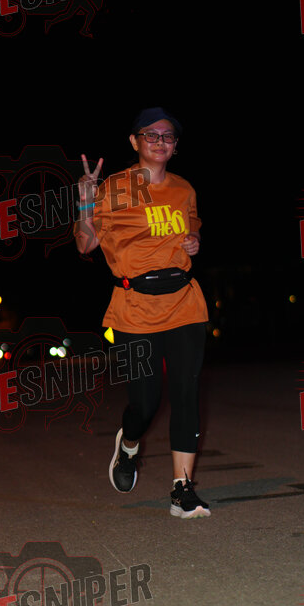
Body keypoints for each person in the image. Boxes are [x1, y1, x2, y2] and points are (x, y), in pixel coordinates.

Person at [74, 107, 211, 518]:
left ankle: (182, 490)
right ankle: (129, 445)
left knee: (186, 394)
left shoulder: (184, 189)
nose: (160, 142)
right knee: (145, 404)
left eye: (168, 136)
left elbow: (192, 225)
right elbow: (85, 245)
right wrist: (85, 203)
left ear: (175, 145)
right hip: (134, 307)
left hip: (184, 302)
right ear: (134, 142)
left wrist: (194, 241)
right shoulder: (115, 188)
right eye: (151, 134)